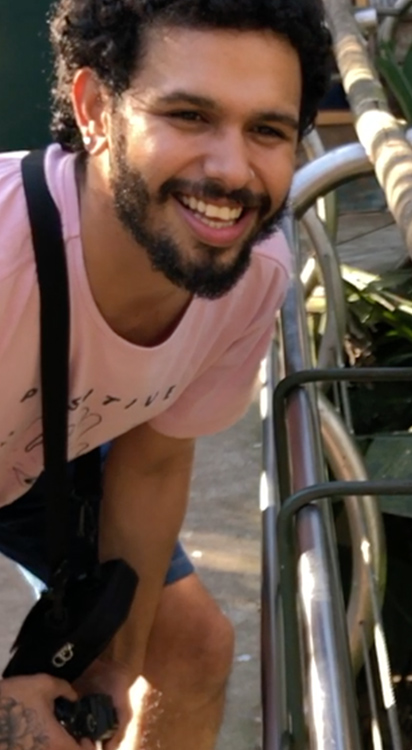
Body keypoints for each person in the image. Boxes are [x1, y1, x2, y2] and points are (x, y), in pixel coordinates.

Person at [0, 0, 334, 747]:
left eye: (267, 130)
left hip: (52, 440)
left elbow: (152, 462)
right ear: (94, 109)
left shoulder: (251, 275)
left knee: (189, 648)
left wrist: (114, 671)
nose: (230, 170)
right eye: (188, 116)